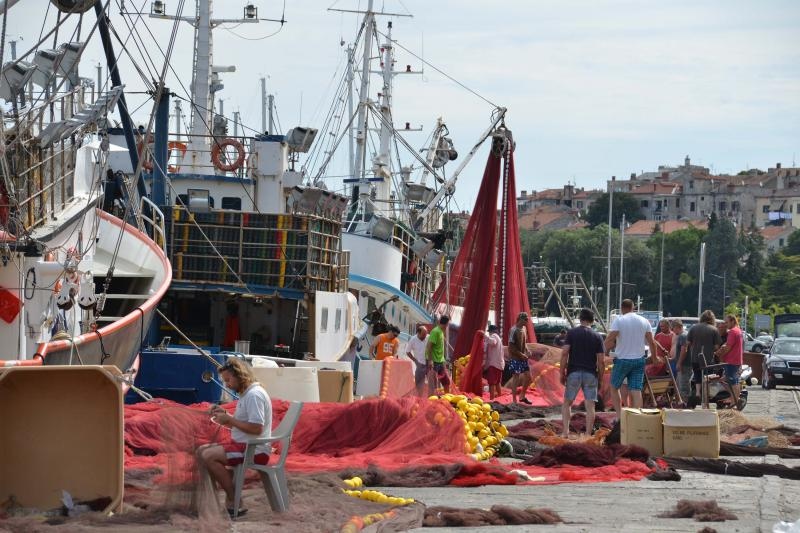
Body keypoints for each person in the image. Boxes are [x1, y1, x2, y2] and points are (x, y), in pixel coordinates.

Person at [197, 358, 271, 518]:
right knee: (201, 450)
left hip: (254, 449)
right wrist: (225, 416)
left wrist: (229, 420)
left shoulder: (254, 395)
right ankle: (228, 484)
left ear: (240, 376)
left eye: (228, 380)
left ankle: (234, 499)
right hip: (244, 445)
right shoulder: (248, 394)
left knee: (208, 456)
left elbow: (256, 428)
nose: (227, 385)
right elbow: (244, 424)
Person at [604, 299, 657, 416]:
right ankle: (637, 417)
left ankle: (619, 416)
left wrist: (605, 352)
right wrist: (655, 357)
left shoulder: (619, 321)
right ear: (633, 308)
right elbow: (652, 342)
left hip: (622, 360)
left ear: (622, 308)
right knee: (636, 390)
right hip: (639, 360)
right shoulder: (644, 321)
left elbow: (609, 339)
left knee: (614, 387)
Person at [559, 308, 605, 438]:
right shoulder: (597, 337)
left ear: (580, 319)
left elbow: (564, 353)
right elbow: (601, 361)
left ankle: (565, 432)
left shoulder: (571, 333)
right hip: (591, 374)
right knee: (590, 406)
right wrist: (600, 379)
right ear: (592, 320)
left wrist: (561, 372)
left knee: (567, 403)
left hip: (573, 372)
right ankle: (588, 434)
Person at [686, 310, 722, 399]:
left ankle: (698, 392)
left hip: (695, 357)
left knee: (697, 375)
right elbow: (717, 346)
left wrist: (695, 347)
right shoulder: (714, 329)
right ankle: (706, 393)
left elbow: (687, 342)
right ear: (712, 319)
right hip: (708, 359)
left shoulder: (693, 328)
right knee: (707, 376)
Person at [715, 314, 744, 408]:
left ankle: (734, 401)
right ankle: (734, 399)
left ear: (732, 321)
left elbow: (728, 347)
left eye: (727, 322)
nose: (726, 324)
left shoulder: (732, 332)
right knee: (733, 380)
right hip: (736, 360)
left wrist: (720, 354)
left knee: (733, 381)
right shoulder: (738, 331)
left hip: (731, 360)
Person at [508, 312, 533, 405]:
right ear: (520, 319)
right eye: (526, 320)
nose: (527, 321)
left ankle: (522, 396)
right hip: (515, 357)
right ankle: (514, 399)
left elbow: (524, 342)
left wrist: (527, 350)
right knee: (516, 377)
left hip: (523, 357)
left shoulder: (524, 329)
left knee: (529, 377)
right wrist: (520, 354)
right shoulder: (513, 330)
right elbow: (511, 346)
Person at [426, 316, 451, 394]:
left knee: (446, 381)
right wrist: (430, 361)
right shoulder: (435, 331)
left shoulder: (441, 331)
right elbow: (429, 346)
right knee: (433, 385)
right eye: (448, 324)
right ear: (446, 324)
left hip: (440, 361)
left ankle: (447, 399)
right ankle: (432, 401)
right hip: (434, 362)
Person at [482, 324, 504, 400]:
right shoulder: (498, 338)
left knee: (492, 383)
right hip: (499, 364)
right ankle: (500, 397)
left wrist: (484, 336)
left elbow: (492, 342)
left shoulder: (493, 336)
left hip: (493, 364)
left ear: (491, 332)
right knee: (497, 382)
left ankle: (492, 399)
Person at [670, 319, 691, 401]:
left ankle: (685, 404)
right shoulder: (682, 335)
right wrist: (672, 359)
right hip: (682, 364)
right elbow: (679, 353)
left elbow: (684, 350)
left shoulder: (683, 336)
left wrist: (679, 363)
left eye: (673, 328)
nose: (672, 330)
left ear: (678, 327)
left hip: (684, 365)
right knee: (679, 386)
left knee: (683, 386)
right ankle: (681, 402)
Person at [405, 326, 429, 396]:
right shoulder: (413, 339)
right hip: (420, 364)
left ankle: (431, 398)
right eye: (423, 335)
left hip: (429, 363)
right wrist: (415, 360)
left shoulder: (429, 337)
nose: (425, 336)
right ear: (418, 333)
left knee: (431, 383)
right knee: (419, 383)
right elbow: (408, 352)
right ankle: (419, 398)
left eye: (426, 334)